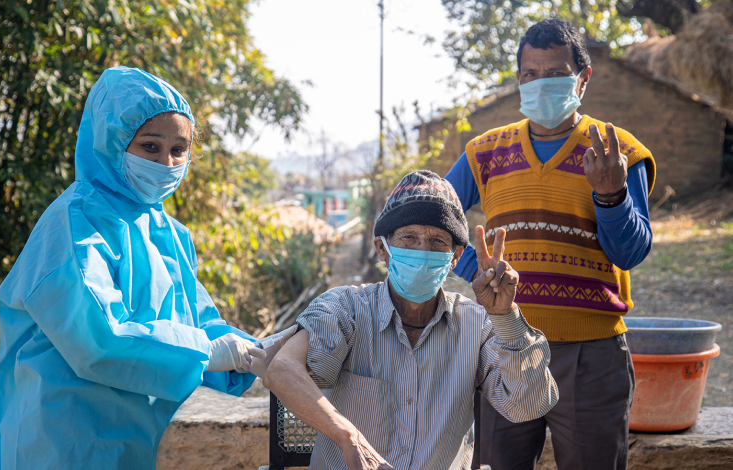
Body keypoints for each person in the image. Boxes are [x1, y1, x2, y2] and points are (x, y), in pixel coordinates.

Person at [0, 66, 294, 470]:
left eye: (178, 150)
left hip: (136, 440)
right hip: (62, 439)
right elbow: (99, 340)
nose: (166, 162)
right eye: (150, 147)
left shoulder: (169, 233)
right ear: (112, 144)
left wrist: (255, 350)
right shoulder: (74, 223)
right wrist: (209, 352)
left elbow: (197, 322)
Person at [444, 19, 657, 470]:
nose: (541, 84)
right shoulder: (483, 152)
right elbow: (434, 219)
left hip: (591, 354)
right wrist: (472, 270)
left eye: (556, 73)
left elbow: (631, 252)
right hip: (503, 344)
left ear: (583, 77)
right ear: (518, 79)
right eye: (530, 74)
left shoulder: (619, 153)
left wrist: (611, 196)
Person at [264, 170, 558, 470]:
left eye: (437, 241)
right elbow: (282, 372)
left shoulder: (476, 326)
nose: (423, 250)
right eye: (409, 237)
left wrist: (505, 316)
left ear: (454, 258)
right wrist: (348, 436)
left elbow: (528, 405)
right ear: (383, 249)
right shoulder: (346, 309)